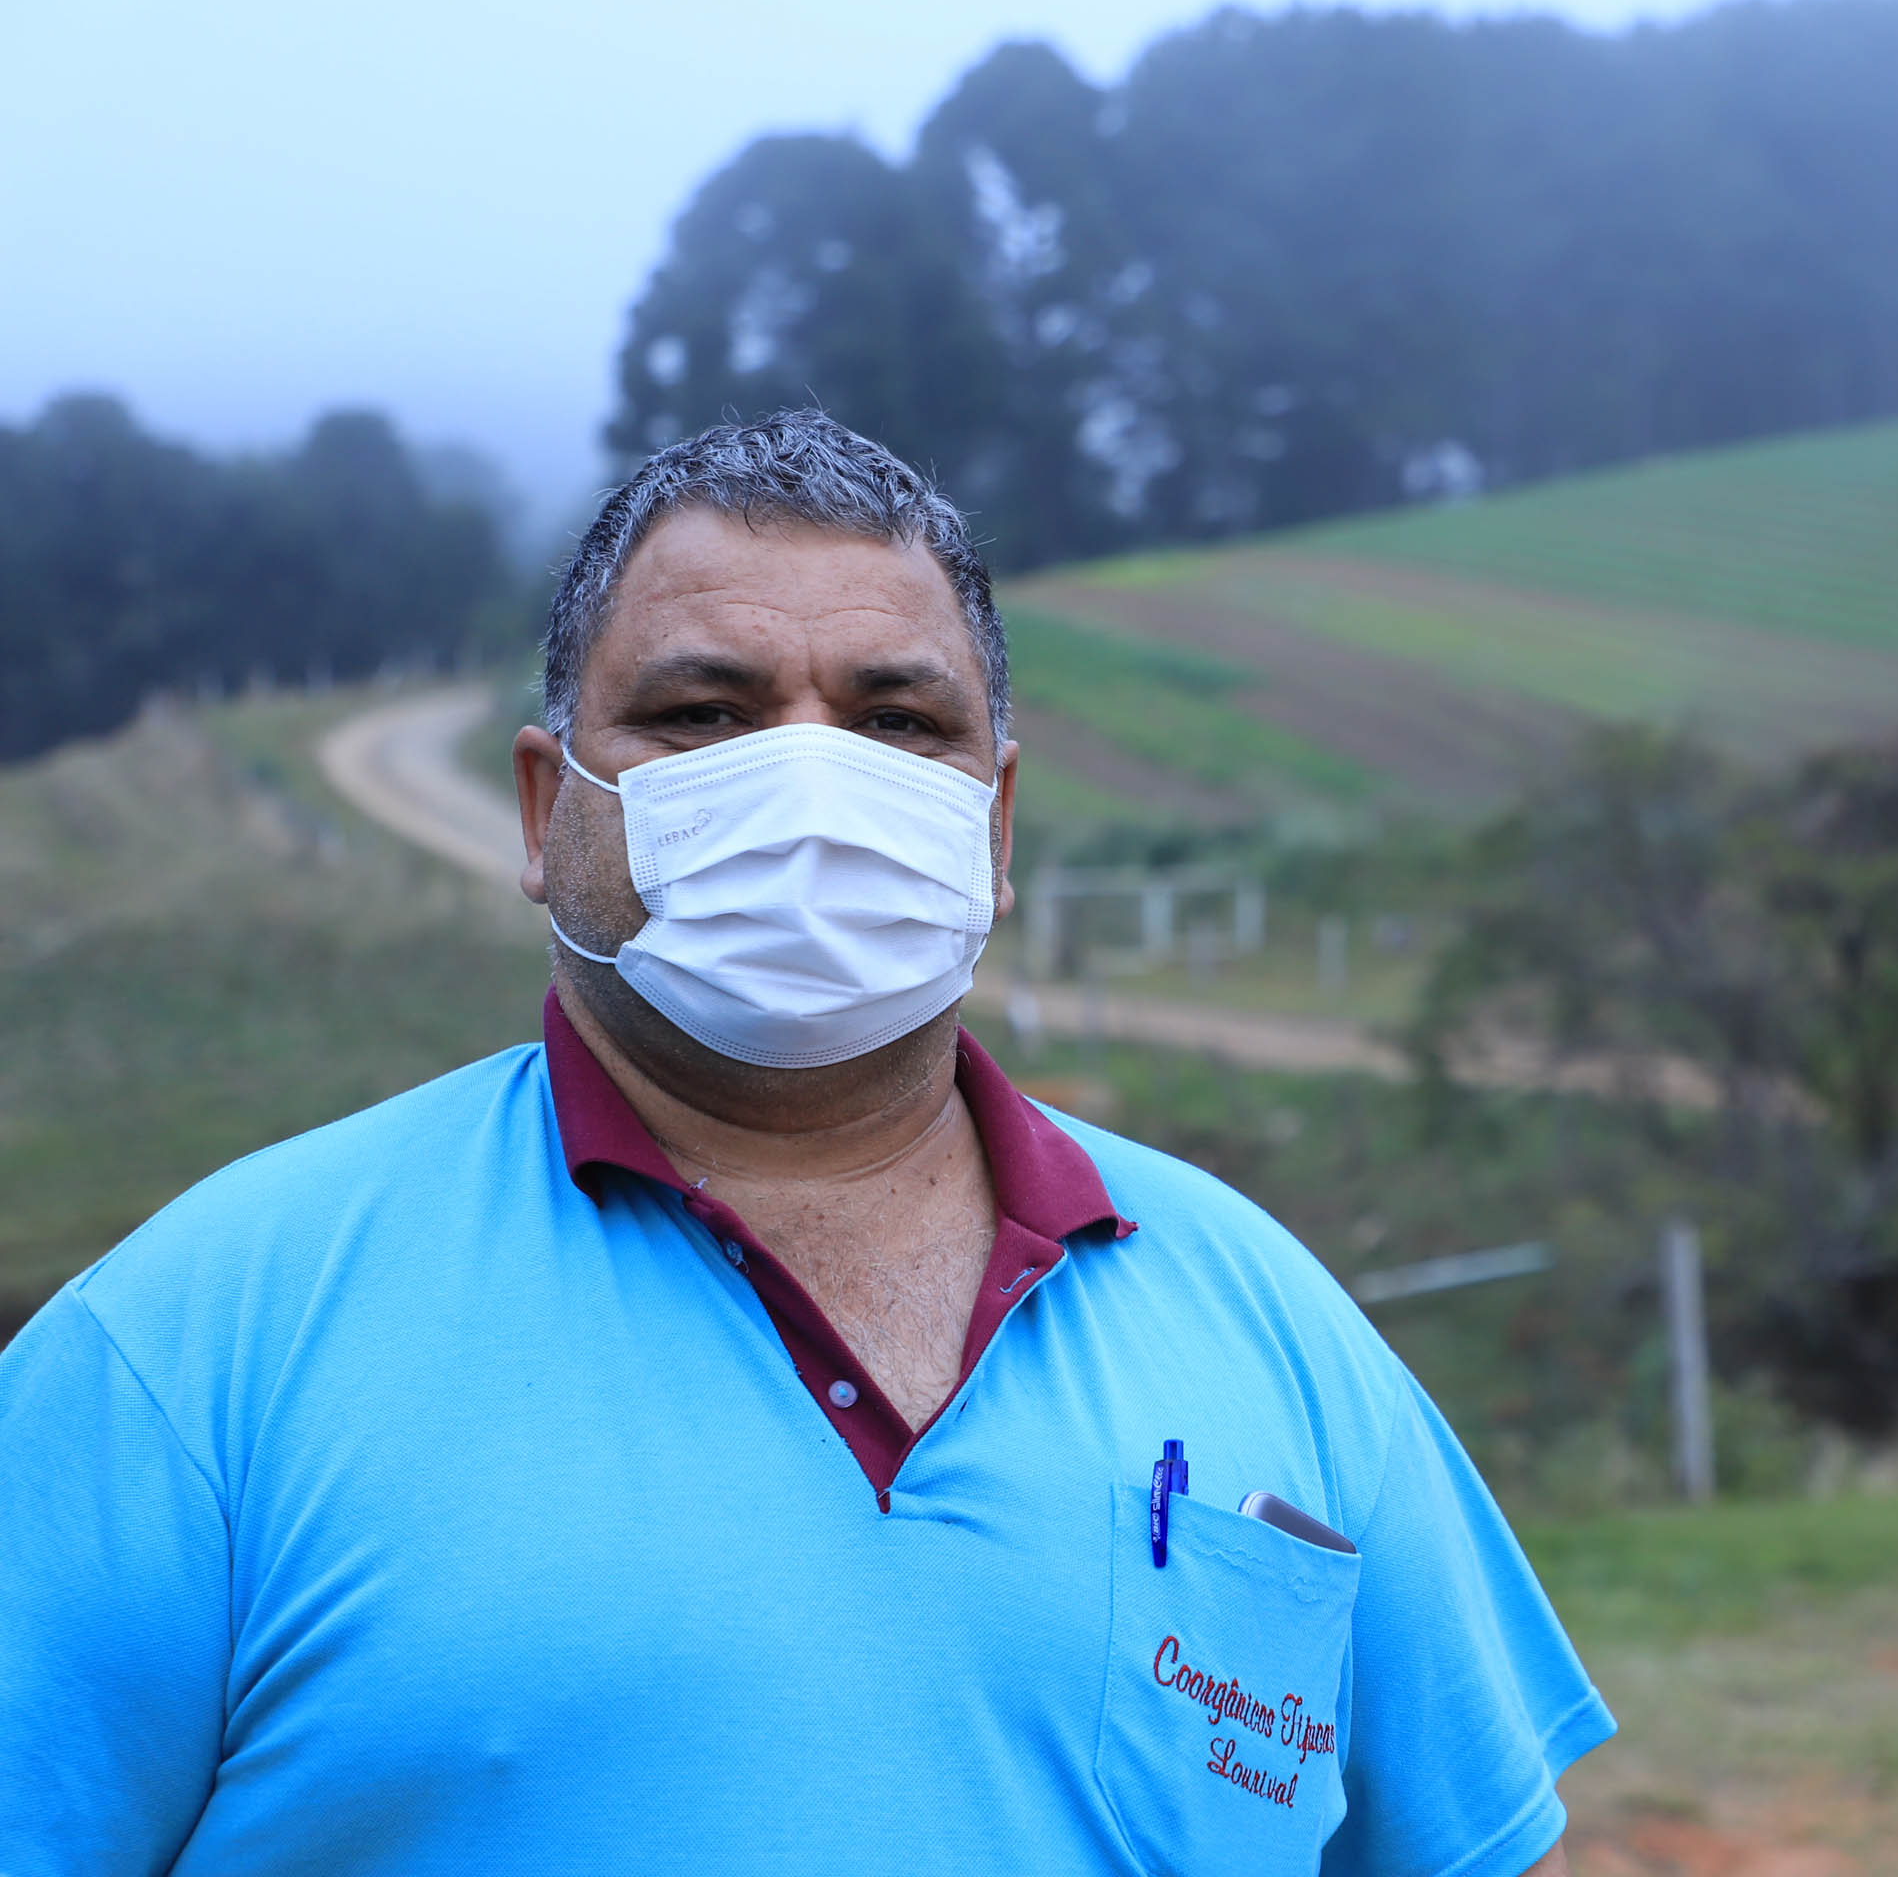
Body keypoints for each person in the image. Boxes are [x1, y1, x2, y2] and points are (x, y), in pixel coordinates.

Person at [0, 409, 1611, 1874]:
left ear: (991, 826)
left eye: (898, 722)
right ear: (543, 812)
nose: (813, 786)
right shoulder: (190, 1355)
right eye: (705, 713)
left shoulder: (1271, 1320)